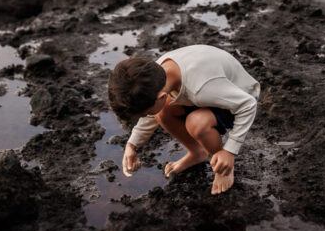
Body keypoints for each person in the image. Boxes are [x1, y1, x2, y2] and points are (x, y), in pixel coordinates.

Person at [108, 44, 260, 196]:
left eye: (145, 113)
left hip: (236, 96)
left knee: (196, 123)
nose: (145, 117)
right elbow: (153, 111)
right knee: (161, 112)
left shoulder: (202, 88)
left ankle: (223, 166)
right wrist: (132, 144)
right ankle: (197, 153)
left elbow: (247, 105)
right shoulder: (156, 74)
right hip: (207, 90)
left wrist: (230, 151)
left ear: (160, 97)